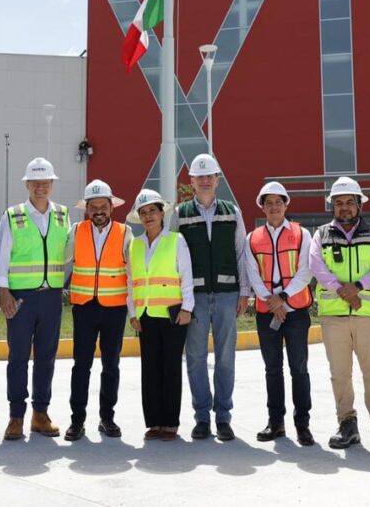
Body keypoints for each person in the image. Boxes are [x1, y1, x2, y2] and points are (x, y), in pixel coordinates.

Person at [309, 176, 370, 453]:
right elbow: (316, 266)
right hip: (334, 315)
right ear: (332, 206)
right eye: (339, 203)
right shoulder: (321, 234)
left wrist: (356, 287)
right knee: (340, 374)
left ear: (359, 205)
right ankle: (347, 425)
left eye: (349, 202)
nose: (344, 207)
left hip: (367, 313)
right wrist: (341, 290)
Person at [171, 152, 251, 442]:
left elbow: (242, 252)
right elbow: (173, 259)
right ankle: (202, 417)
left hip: (228, 296)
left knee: (226, 358)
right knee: (194, 358)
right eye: (199, 176)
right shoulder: (180, 214)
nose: (204, 181)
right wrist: (180, 299)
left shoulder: (232, 210)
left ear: (217, 180)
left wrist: (244, 291)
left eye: (209, 176)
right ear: (191, 181)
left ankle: (223, 418)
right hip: (195, 299)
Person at [0, 157, 71, 440]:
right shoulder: (13, 215)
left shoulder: (63, 215)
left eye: (46, 182)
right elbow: (1, 256)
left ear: (52, 184)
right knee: (18, 357)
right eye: (35, 183)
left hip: (51, 296)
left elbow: (70, 255)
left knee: (46, 357)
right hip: (21, 298)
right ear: (27, 185)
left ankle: (40, 414)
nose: (41, 187)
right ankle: (16, 416)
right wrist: (3, 292)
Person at [244, 181, 315, 446]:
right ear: (262, 208)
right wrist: (271, 301)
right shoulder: (252, 238)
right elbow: (251, 272)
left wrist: (282, 299)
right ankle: (276, 423)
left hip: (295, 311)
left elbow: (306, 270)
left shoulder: (301, 234)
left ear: (286, 205)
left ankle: (302, 424)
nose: (274, 207)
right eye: (268, 202)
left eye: (278, 202)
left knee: (299, 368)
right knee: (272, 369)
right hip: (266, 312)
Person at [63, 180, 133, 441]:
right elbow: (62, 258)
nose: (99, 211)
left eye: (103, 206)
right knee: (81, 365)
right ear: (87, 209)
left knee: (110, 365)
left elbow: (132, 271)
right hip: (84, 308)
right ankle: (77, 421)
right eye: (93, 207)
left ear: (111, 207)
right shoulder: (76, 230)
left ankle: (107, 418)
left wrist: (134, 309)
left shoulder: (125, 233)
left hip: (114, 309)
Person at [128, 189, 195, 441]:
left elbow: (186, 275)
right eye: (143, 213)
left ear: (161, 213)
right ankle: (154, 422)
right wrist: (132, 312)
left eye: (152, 211)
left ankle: (170, 423)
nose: (148, 216)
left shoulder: (176, 240)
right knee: (150, 369)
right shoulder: (134, 245)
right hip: (144, 315)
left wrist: (187, 307)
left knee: (170, 369)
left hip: (172, 315)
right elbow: (130, 281)